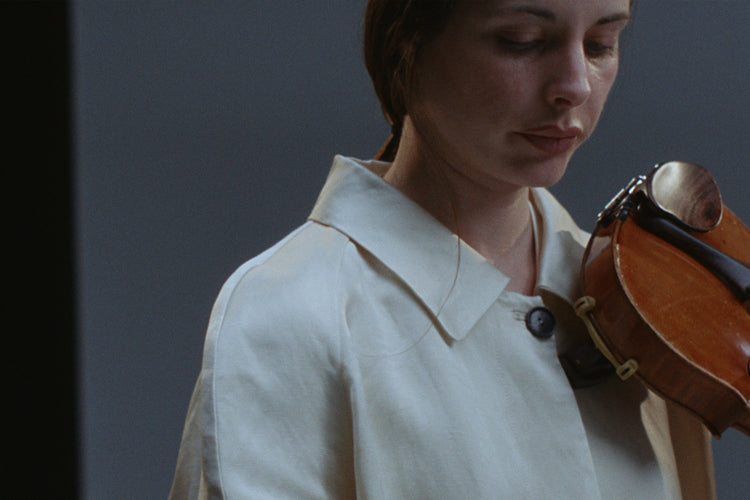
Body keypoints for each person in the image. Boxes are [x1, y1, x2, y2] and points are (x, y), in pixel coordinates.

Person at [170, 1, 717, 498]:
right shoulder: (286, 315)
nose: (574, 85)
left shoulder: (642, 304)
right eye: (522, 41)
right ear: (408, 43)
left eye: (600, 45)